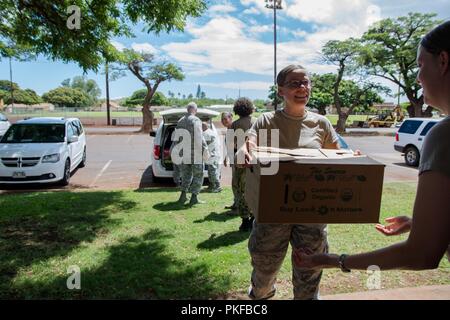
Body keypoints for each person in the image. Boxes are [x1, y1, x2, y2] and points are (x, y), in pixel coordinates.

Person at [293, 21, 450, 274]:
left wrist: (334, 260)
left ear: (443, 61)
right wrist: (419, 224)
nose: (418, 77)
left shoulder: (443, 135)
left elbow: (421, 255)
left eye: (421, 65)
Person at [237, 64, 340, 300]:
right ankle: (262, 294)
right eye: (295, 83)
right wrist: (244, 149)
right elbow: (247, 144)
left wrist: (350, 158)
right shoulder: (266, 121)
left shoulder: (321, 123)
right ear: (280, 90)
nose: (303, 87)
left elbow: (337, 157)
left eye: (306, 82)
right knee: (264, 275)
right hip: (272, 214)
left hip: (311, 214)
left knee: (309, 277)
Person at [173, 102, 207, 205]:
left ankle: (183, 196)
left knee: (186, 175)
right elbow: (199, 138)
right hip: (195, 154)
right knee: (198, 175)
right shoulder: (196, 120)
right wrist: (205, 149)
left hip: (184, 153)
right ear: (195, 110)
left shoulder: (180, 121)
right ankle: (194, 198)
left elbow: (177, 138)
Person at [231, 98, 256, 232]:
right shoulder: (257, 122)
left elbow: (230, 146)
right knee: (254, 189)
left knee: (240, 191)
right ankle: (253, 218)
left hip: (240, 161)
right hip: (255, 160)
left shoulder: (234, 124)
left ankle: (245, 220)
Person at [221, 112, 238, 210]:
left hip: (237, 159)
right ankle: (236, 203)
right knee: (234, 182)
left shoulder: (235, 128)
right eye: (222, 119)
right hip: (233, 159)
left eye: (226, 119)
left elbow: (236, 144)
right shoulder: (229, 130)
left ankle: (238, 205)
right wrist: (226, 156)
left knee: (236, 183)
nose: (224, 121)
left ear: (231, 118)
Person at [202, 122, 222, 193]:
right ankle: (212, 185)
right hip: (214, 154)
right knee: (211, 171)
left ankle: (217, 186)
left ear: (203, 127)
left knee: (213, 171)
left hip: (212, 155)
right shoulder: (211, 132)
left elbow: (204, 145)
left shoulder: (207, 134)